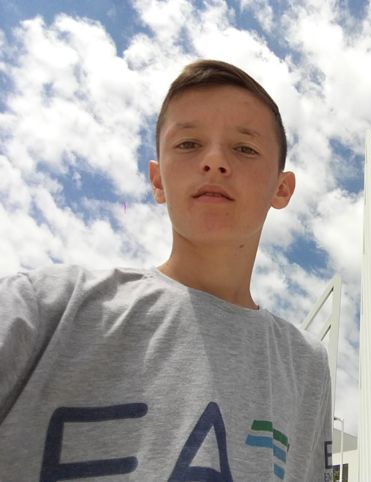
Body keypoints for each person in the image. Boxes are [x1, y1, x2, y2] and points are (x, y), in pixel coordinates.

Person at [0, 60, 333, 481]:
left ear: (281, 189)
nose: (215, 161)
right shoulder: (42, 310)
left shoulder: (306, 367)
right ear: (157, 181)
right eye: (189, 144)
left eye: (245, 148)